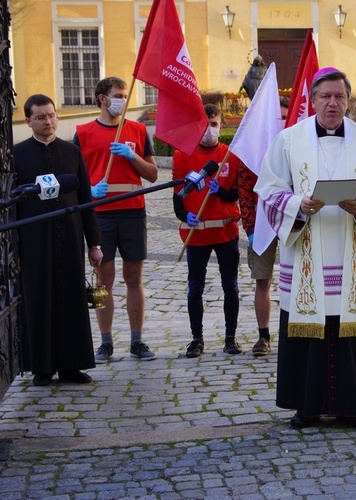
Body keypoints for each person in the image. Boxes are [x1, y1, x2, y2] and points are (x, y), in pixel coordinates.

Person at [255, 67, 356, 428]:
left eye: (339, 96)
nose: (332, 103)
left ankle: (351, 406)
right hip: (304, 251)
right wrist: (296, 206)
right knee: (308, 334)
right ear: (313, 101)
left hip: (350, 254)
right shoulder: (288, 141)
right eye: (325, 96)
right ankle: (308, 407)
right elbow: (269, 190)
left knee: (347, 333)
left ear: (348, 101)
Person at [14, 94, 104, 386]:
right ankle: (42, 367)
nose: (48, 121)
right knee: (38, 301)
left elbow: (85, 199)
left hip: (69, 237)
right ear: (28, 121)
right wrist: (13, 250)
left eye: (51, 115)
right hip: (33, 240)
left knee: (71, 299)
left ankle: (71, 365)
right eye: (41, 117)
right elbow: (11, 206)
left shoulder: (72, 152)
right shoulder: (16, 155)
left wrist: (94, 243)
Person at [74, 76, 159, 363]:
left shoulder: (136, 129)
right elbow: (76, 178)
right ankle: (104, 342)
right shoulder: (82, 133)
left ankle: (137, 340)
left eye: (125, 95)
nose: (122, 100)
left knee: (134, 278)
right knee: (101, 281)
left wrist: (132, 156)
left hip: (133, 211)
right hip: (100, 214)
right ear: (102, 98)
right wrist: (90, 188)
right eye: (117, 95)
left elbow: (152, 174)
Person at [172, 104, 242, 358]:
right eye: (204, 124)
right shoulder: (182, 156)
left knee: (230, 286)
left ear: (221, 126)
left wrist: (220, 192)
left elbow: (238, 193)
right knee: (195, 287)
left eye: (214, 124)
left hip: (225, 232)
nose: (209, 129)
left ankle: (230, 338)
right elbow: (177, 197)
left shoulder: (230, 156)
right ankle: (196, 338)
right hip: (197, 234)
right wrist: (184, 216)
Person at [238, 96, 289, 357]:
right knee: (262, 280)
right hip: (262, 222)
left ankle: (299, 332)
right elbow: (245, 190)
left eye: (284, 118)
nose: (279, 123)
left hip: (294, 219)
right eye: (276, 118)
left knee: (301, 278)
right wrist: (250, 226)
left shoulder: (296, 147)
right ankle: (263, 336)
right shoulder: (253, 151)